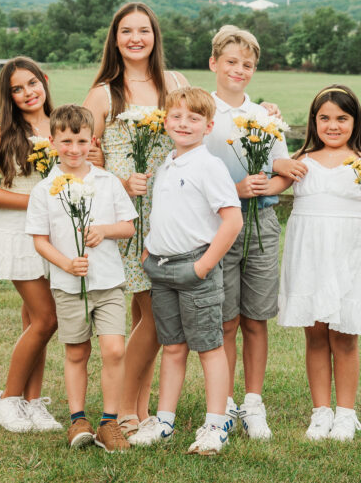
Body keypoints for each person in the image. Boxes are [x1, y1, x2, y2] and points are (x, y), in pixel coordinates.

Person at [265, 84, 361, 441]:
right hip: (310, 257)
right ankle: (320, 412)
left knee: (346, 335)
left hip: (349, 257)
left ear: (355, 121)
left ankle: (346, 414)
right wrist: (266, 127)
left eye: (342, 118)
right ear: (313, 121)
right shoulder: (301, 162)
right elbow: (265, 184)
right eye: (324, 118)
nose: (333, 125)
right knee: (316, 334)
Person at [82, 1, 188, 436]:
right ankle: (125, 409)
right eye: (126, 31)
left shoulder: (175, 83)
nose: (135, 39)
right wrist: (120, 181)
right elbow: (84, 159)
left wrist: (264, 110)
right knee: (156, 314)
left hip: (175, 211)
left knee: (152, 315)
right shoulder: (104, 93)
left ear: (154, 36)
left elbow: (206, 120)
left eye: (143, 30)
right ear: (115, 38)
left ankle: (138, 408)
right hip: (130, 217)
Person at [203, 25, 308, 440]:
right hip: (218, 221)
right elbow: (192, 177)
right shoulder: (203, 112)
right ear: (214, 63)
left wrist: (275, 181)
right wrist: (235, 190)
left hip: (262, 224)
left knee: (256, 318)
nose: (239, 70)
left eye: (247, 64)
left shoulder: (265, 117)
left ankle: (253, 402)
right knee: (225, 318)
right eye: (231, 61)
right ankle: (224, 403)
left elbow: (281, 171)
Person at [128, 87, 243, 455]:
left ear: (208, 126)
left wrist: (204, 265)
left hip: (195, 268)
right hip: (161, 269)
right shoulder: (168, 163)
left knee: (209, 347)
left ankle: (216, 424)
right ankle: (164, 421)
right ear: (165, 122)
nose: (184, 124)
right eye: (176, 116)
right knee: (173, 347)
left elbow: (232, 219)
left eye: (193, 118)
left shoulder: (209, 166)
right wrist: (149, 249)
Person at [25, 105, 138, 451]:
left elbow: (128, 226)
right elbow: (40, 240)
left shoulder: (107, 183)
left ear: (93, 141)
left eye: (82, 141)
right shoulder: (45, 189)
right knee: (76, 351)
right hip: (68, 284)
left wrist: (102, 231)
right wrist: (66, 263)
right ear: (53, 141)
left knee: (114, 349)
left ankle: (109, 421)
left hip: (108, 282)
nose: (74, 149)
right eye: (67, 141)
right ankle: (78, 420)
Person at [0, 57, 61, 434]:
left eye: (32, 83)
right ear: (9, 96)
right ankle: (8, 399)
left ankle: (32, 402)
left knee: (31, 321)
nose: (27, 93)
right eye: (17, 89)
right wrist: (34, 201)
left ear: (44, 80)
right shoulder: (2, 135)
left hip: (56, 235)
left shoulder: (63, 127)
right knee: (46, 318)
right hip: (19, 232)